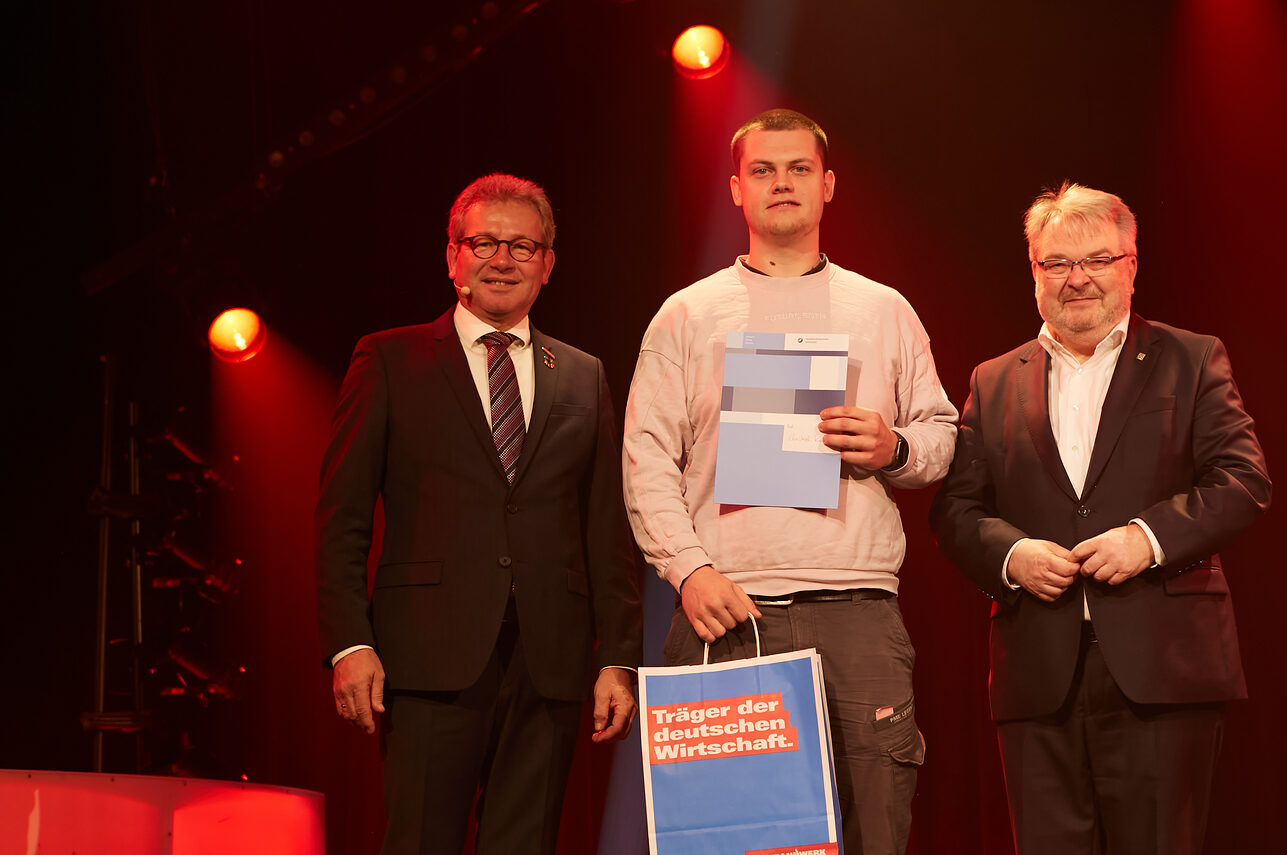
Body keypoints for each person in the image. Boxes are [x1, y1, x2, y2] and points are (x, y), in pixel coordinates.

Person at [623, 108, 958, 854]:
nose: (782, 183)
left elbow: (942, 437)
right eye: (763, 170)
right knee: (729, 840)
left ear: (828, 184)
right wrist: (688, 570)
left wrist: (893, 445)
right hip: (726, 610)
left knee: (875, 828)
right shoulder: (687, 314)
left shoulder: (883, 309)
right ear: (736, 189)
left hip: (857, 610)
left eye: (799, 168)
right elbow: (645, 459)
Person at [929, 181, 1271, 854]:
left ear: (1131, 265)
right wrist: (1013, 556)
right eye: (1057, 262)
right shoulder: (993, 380)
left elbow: (1243, 479)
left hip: (1163, 669)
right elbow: (957, 510)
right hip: (1038, 676)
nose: (1077, 277)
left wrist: (1148, 538)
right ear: (1034, 272)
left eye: (1097, 259)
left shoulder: (1191, 358)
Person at [315, 173, 642, 854]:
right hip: (425, 657)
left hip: (549, 663)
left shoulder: (582, 374)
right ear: (453, 256)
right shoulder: (389, 358)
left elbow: (605, 528)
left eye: (522, 246)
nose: (502, 260)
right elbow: (342, 517)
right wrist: (350, 641)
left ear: (547, 264)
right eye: (484, 242)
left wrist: (618, 657)